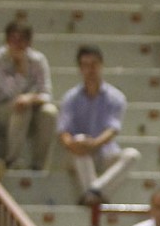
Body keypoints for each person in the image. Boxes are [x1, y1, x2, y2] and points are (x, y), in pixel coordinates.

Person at [57, 45, 141, 210]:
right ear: (80, 68)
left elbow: (113, 129)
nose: (90, 70)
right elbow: (63, 131)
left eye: (94, 64)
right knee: (79, 142)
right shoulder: (70, 98)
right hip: (79, 154)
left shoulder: (115, 97)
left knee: (132, 155)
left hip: (106, 151)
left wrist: (94, 144)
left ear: (101, 65)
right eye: (86, 65)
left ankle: (93, 191)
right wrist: (73, 144)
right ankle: (96, 193)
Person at [0, 20, 57, 171]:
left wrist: (31, 98)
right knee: (22, 107)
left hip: (28, 107)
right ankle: (12, 160)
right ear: (7, 40)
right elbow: (11, 93)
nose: (17, 44)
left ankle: (39, 164)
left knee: (50, 112)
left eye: (22, 40)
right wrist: (21, 68)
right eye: (13, 40)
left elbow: (47, 93)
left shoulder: (38, 60)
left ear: (29, 42)